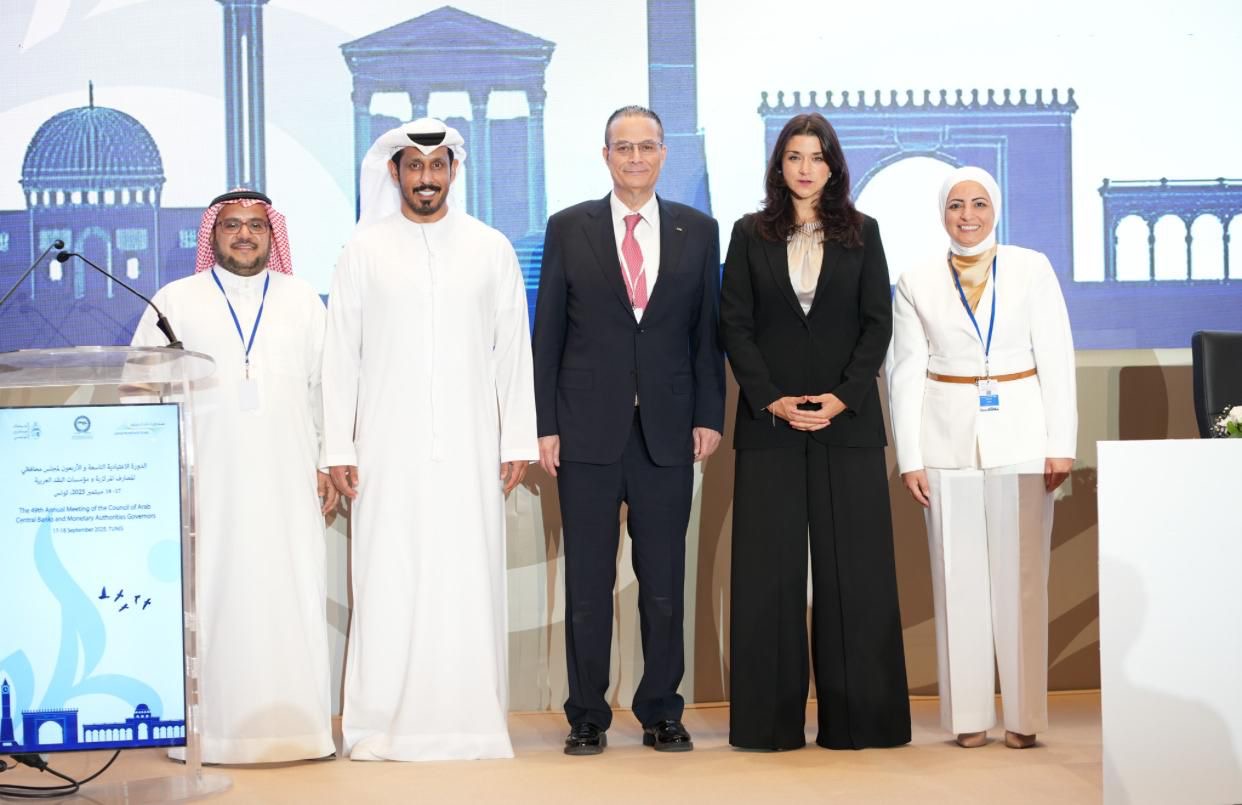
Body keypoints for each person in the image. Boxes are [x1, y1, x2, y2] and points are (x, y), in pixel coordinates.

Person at [322, 118, 537, 762]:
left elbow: (511, 349)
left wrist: (516, 438)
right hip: (384, 450)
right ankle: (381, 725)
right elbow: (341, 355)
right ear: (395, 173)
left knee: (466, 577)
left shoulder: (490, 248)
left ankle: (470, 725)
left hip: (471, 448)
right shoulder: (363, 250)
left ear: (453, 171)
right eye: (414, 167)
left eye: (437, 165)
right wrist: (339, 447)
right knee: (389, 577)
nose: (426, 178)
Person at [532, 105, 724, 755]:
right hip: (584, 431)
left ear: (664, 153)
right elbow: (548, 333)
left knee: (664, 586)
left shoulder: (698, 229)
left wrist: (708, 413)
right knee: (588, 585)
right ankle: (587, 714)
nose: (635, 157)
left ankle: (661, 711)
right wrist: (544, 424)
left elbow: (706, 334)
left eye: (647, 146)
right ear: (606, 155)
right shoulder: (569, 228)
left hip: (667, 432)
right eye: (623, 147)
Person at [719, 113, 911, 751]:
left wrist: (844, 396)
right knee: (767, 576)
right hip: (769, 425)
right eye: (794, 156)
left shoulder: (864, 233)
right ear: (779, 166)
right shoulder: (749, 234)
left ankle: (862, 723)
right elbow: (735, 323)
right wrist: (770, 398)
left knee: (856, 574)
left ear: (834, 166)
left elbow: (877, 324)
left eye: (817, 157)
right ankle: (768, 727)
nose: (806, 168)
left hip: (846, 424)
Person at [130, 188, 336, 764]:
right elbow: (140, 390)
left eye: (256, 225)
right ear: (213, 235)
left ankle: (300, 732)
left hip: (290, 481)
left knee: (291, 593)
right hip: (207, 487)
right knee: (215, 598)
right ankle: (214, 734)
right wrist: (158, 470)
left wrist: (326, 462)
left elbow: (328, 389)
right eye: (232, 225)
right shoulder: (175, 301)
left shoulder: (302, 301)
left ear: (272, 235)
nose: (245, 235)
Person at [887, 166, 1077, 749]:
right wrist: (910, 456)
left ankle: (1025, 718)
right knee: (957, 580)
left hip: (1024, 438)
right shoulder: (916, 280)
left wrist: (1062, 443)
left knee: (1023, 582)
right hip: (946, 443)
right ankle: (968, 716)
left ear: (995, 209)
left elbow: (1057, 355)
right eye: (955, 205)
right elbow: (904, 372)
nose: (967, 216)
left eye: (978, 204)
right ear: (941, 214)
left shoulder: (1032, 268)